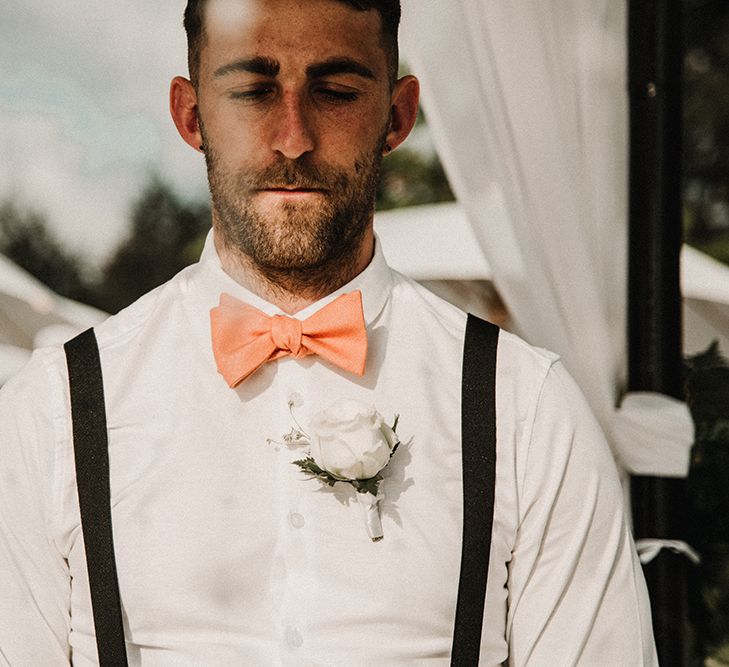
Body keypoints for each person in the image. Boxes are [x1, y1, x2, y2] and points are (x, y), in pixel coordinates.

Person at [0, 0, 658, 664]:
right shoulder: (50, 410)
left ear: (397, 115)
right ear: (191, 114)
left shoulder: (526, 407)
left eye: (336, 91)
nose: (292, 138)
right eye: (252, 91)